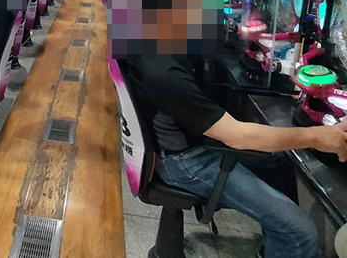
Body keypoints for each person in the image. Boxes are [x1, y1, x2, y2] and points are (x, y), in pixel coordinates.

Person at [118, 58, 347, 258]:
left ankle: (277, 248)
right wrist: (318, 137)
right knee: (300, 233)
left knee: (280, 162)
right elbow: (238, 137)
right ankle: (288, 242)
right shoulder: (162, 71)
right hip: (182, 162)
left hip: (186, 140)